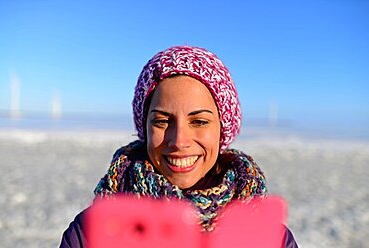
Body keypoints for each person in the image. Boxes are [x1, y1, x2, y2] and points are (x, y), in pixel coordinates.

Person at [60, 45, 298, 247]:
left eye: (199, 121)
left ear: (222, 130)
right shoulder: (88, 235)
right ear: (145, 127)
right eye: (163, 121)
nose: (179, 141)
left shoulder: (273, 239)